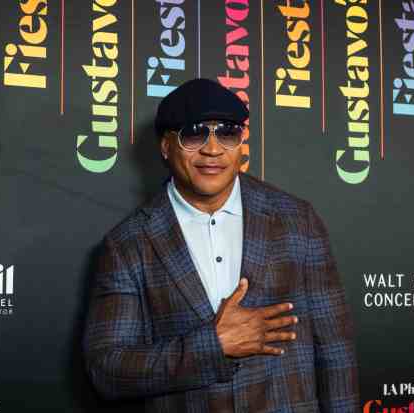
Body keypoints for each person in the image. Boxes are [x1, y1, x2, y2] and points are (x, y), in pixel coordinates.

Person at [84, 78, 359, 412]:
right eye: (194, 134)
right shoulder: (128, 244)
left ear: (241, 143)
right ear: (166, 146)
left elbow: (335, 352)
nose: (212, 149)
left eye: (227, 133)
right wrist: (212, 345)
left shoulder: (297, 219)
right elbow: (108, 370)